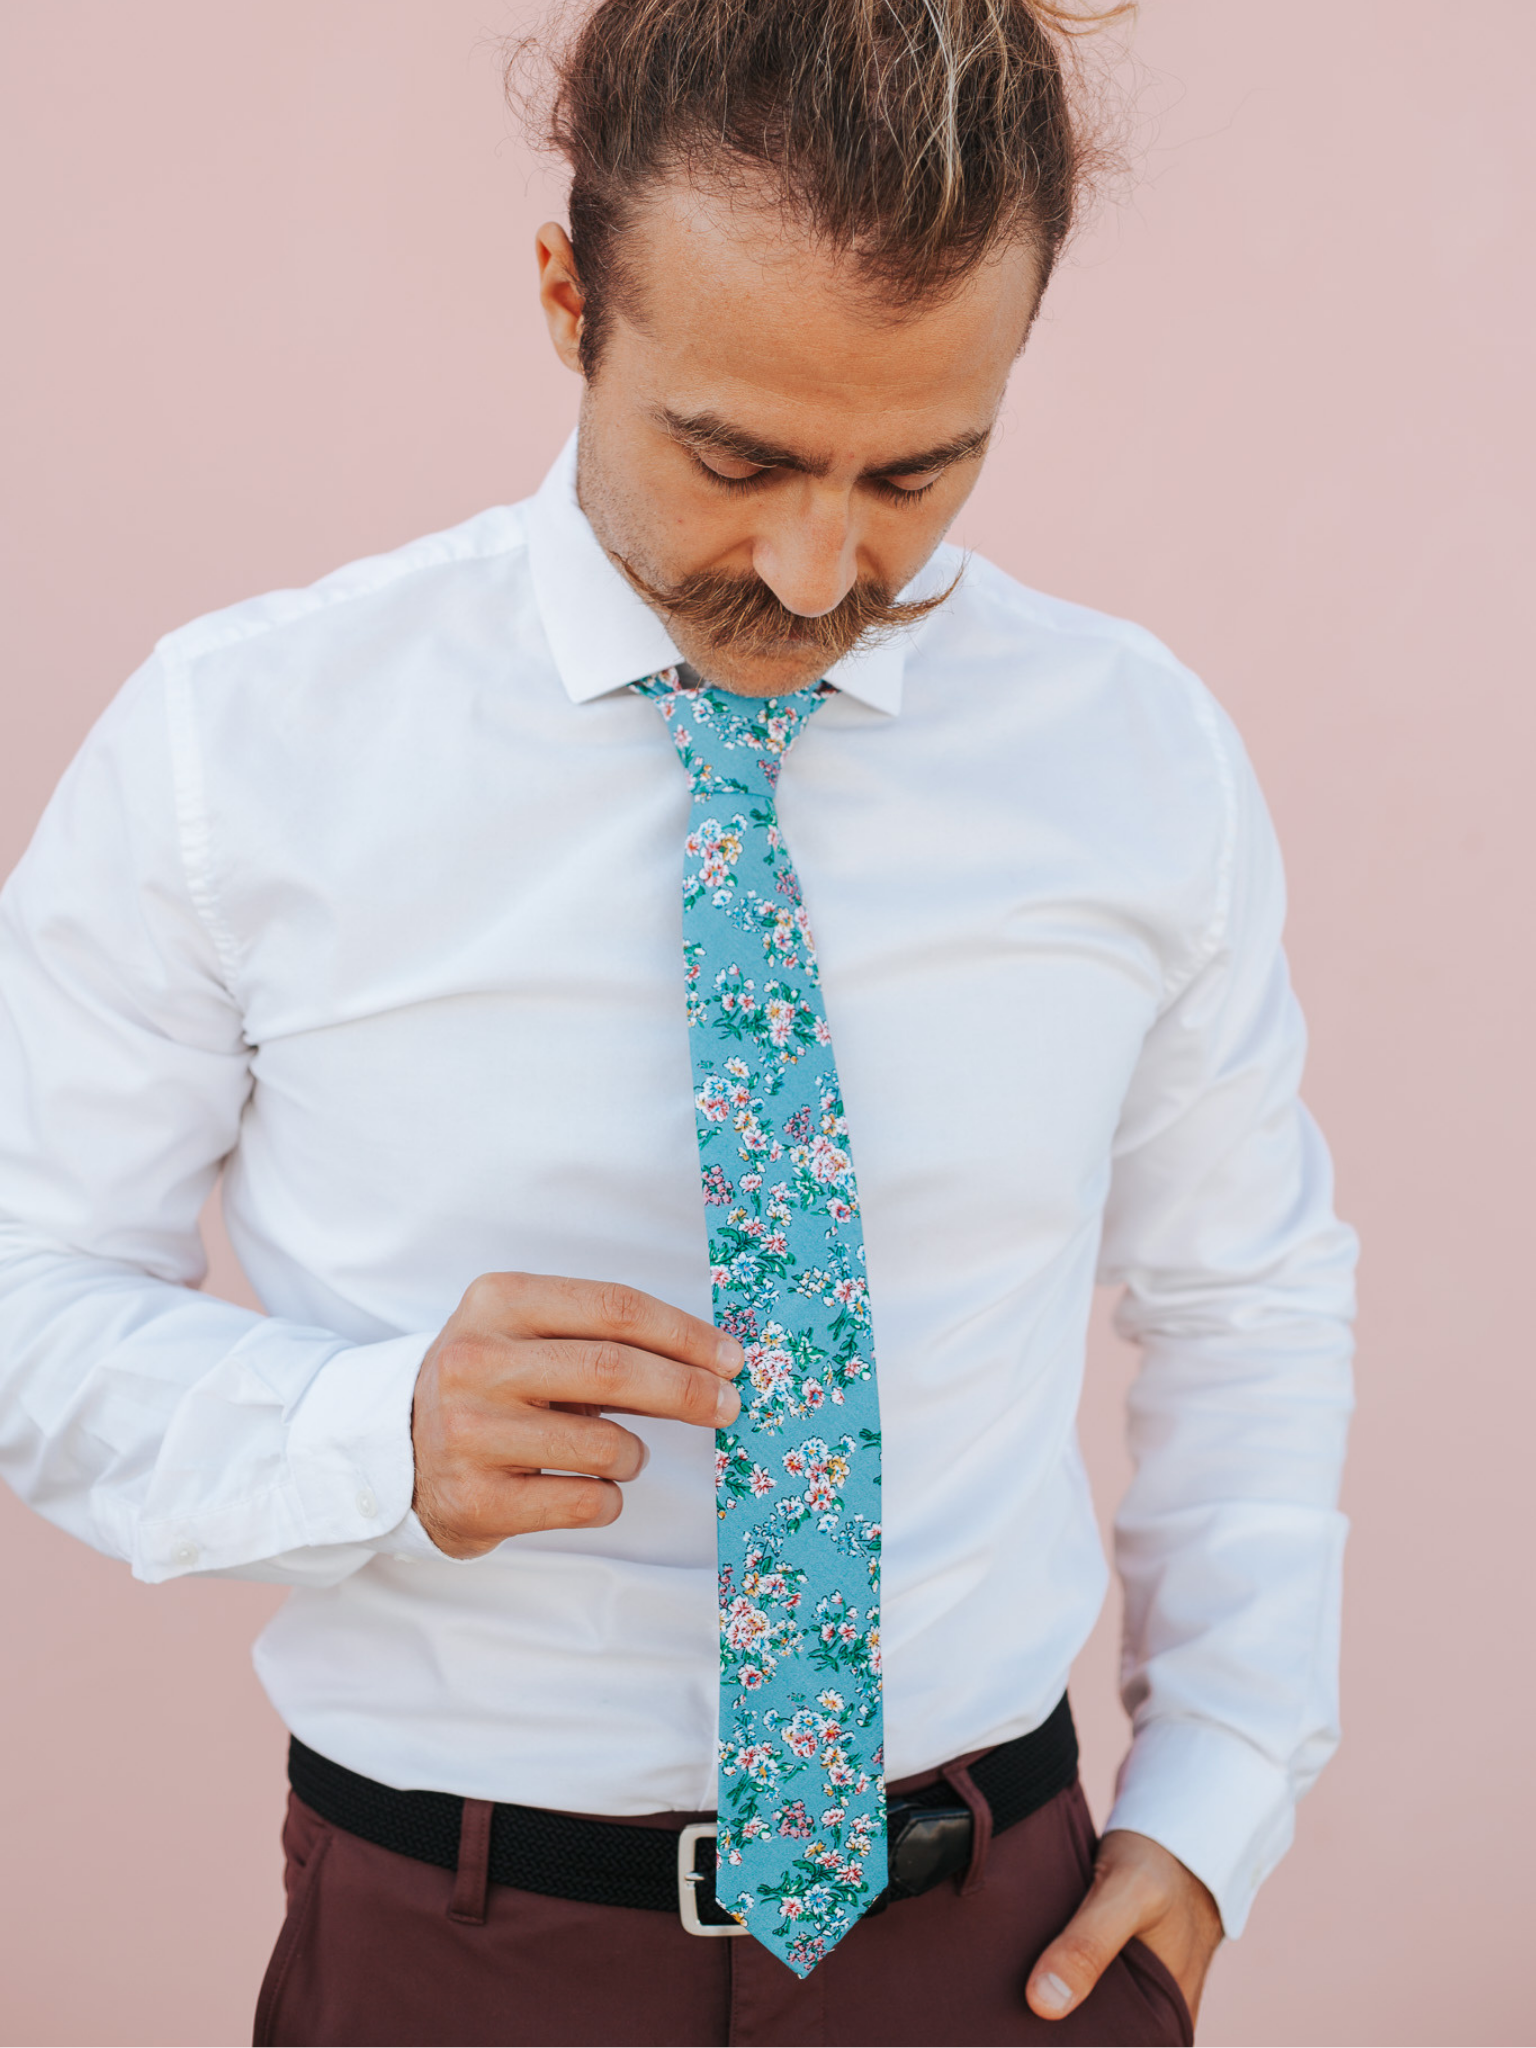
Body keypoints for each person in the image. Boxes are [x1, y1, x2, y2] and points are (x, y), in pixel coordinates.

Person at [0, 1, 1357, 2042]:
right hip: (455, 1945)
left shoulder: (1135, 754)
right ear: (569, 297)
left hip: (1002, 1945)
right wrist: (360, 1432)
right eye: (735, 456)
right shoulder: (241, 748)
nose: (818, 565)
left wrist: (1224, 1787)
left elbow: (1247, 1293)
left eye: (920, 468)